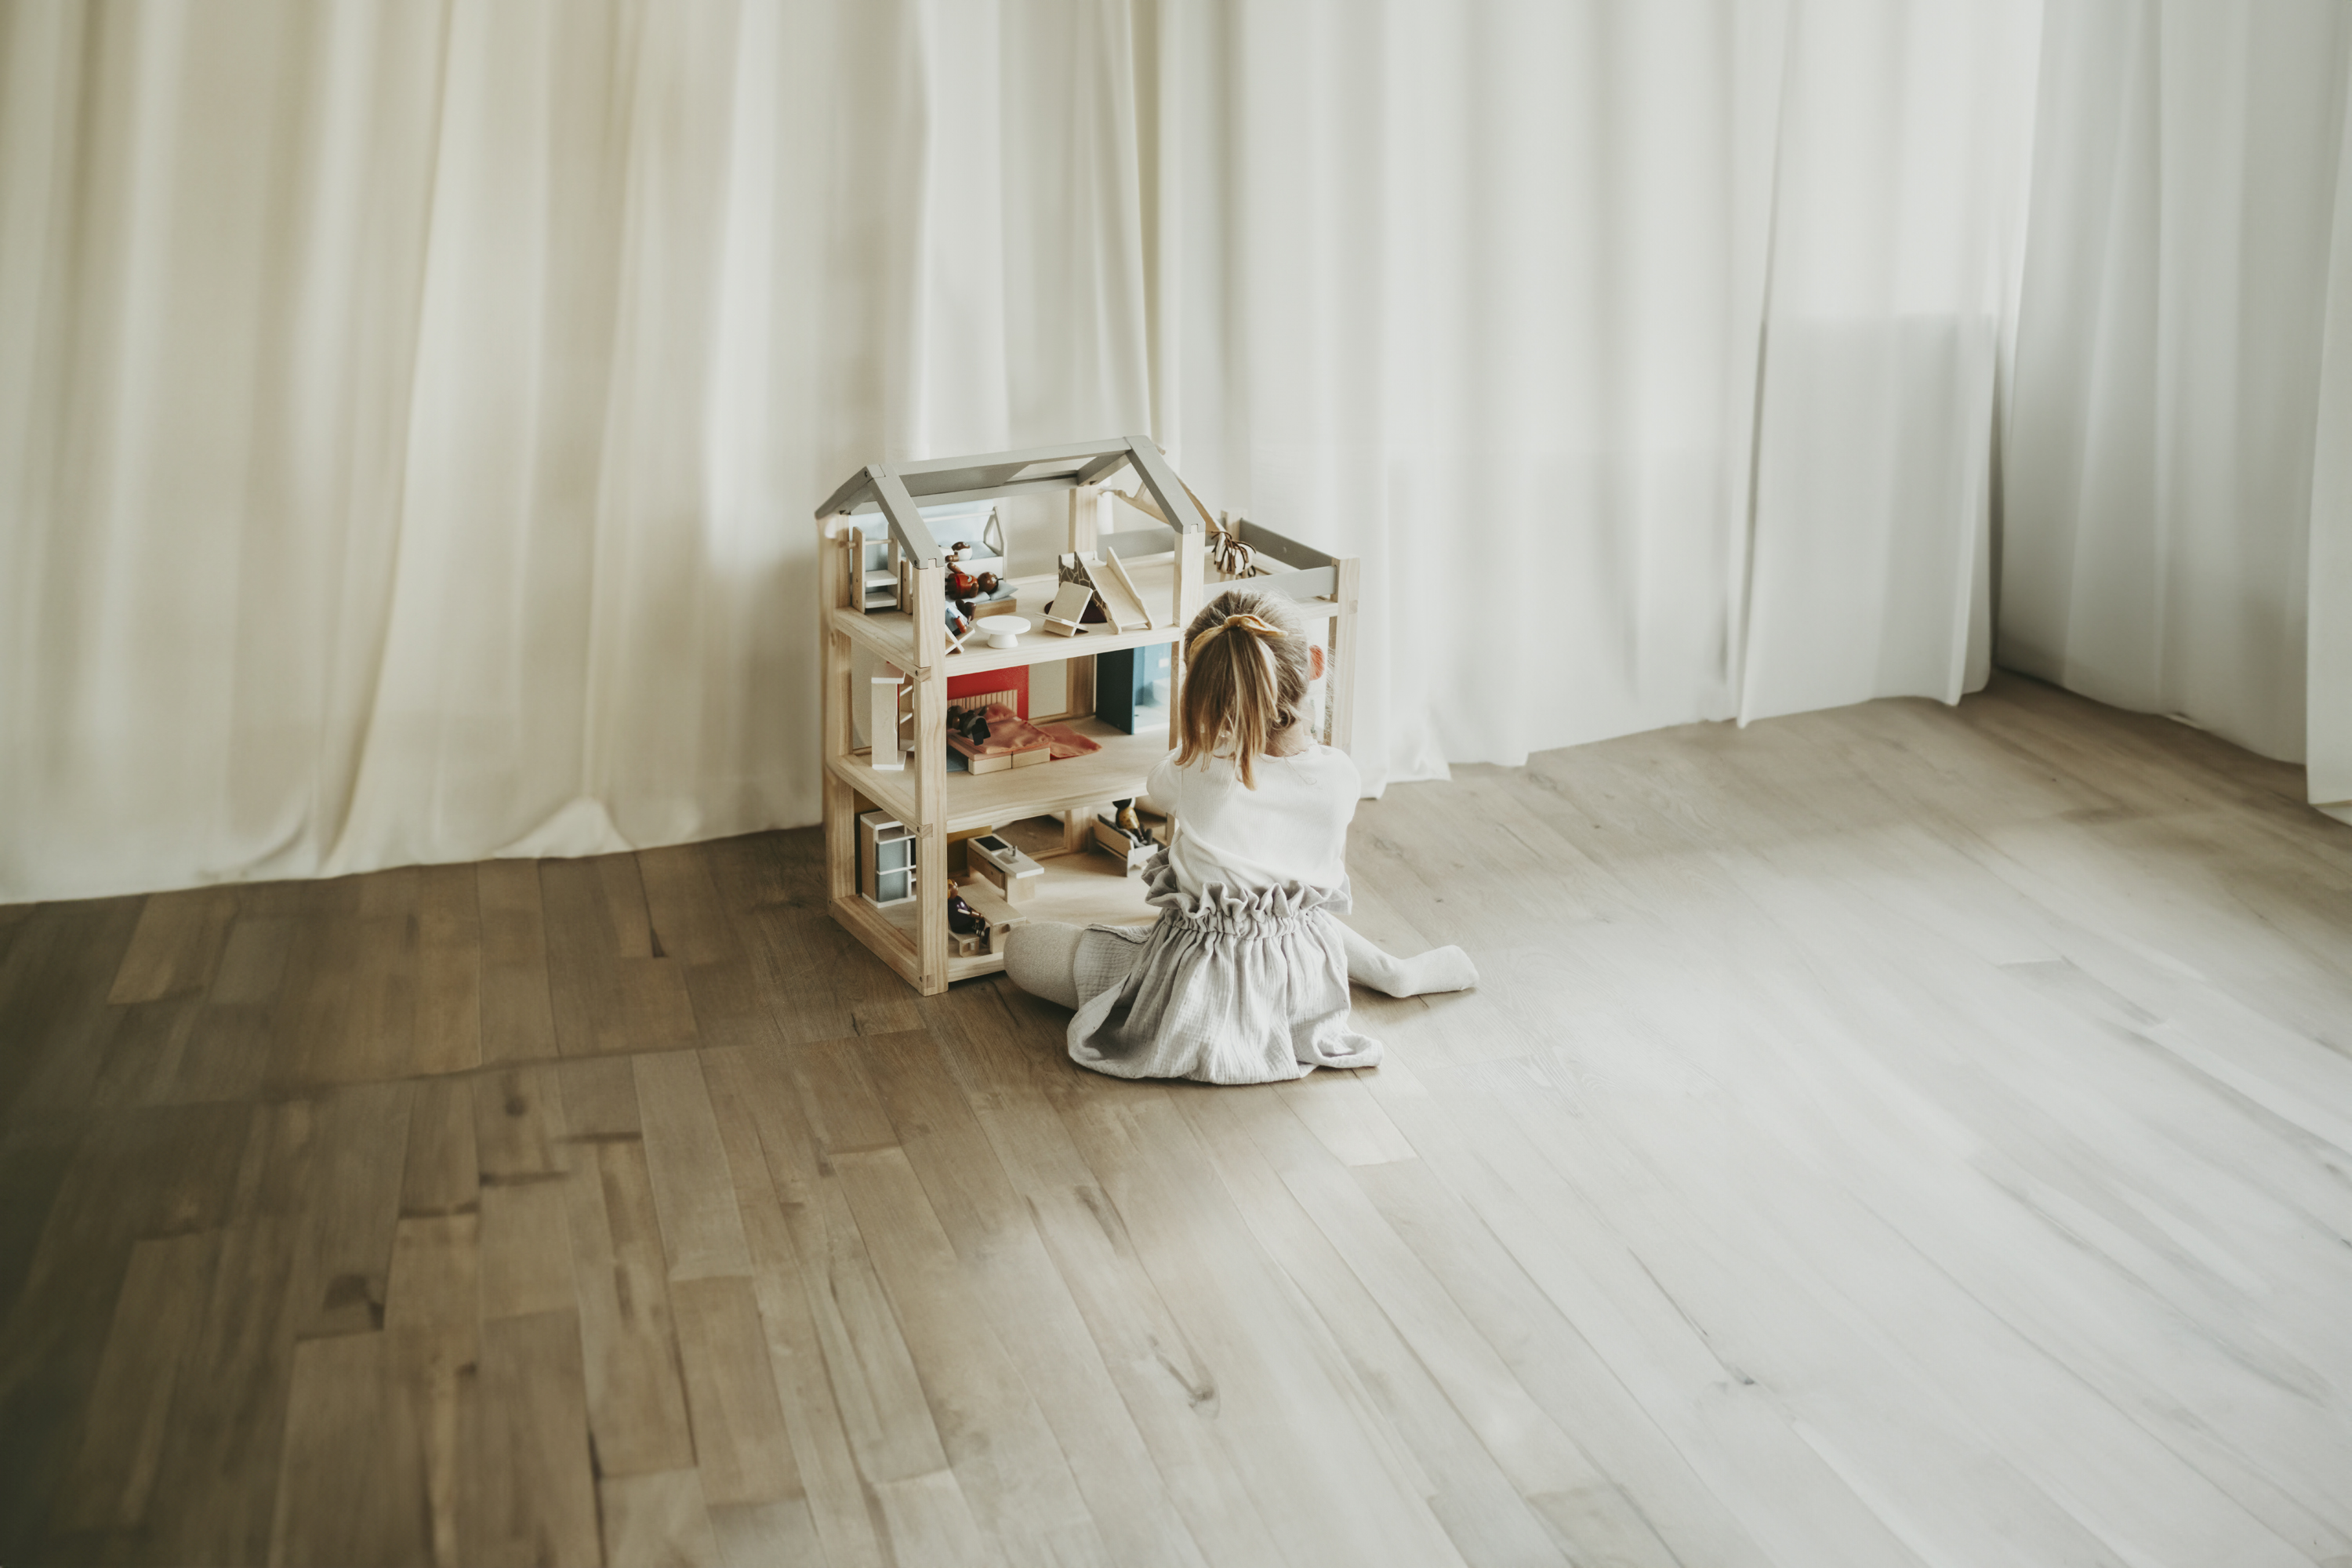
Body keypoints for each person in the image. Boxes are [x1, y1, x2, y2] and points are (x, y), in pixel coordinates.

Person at [1002, 587, 1478, 1083]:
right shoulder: (1341, 776)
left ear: (1206, 692)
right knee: (1294, 912)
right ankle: (1392, 974)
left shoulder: (1195, 768)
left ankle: (1193, 1014)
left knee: (1024, 950)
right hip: (1300, 977)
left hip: (1200, 975)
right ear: (1315, 665)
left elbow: (1159, 787)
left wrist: (1211, 739)